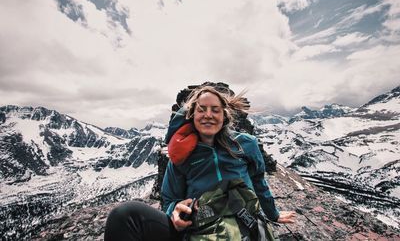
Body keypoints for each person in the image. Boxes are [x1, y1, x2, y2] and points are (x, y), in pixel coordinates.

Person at [104, 85, 296, 241]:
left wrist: (273, 213)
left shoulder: (246, 143)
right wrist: (174, 212)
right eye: (201, 110)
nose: (208, 115)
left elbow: (258, 180)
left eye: (215, 110)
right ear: (192, 117)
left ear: (225, 116)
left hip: (241, 222)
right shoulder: (182, 155)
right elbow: (169, 199)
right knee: (124, 216)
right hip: (198, 226)